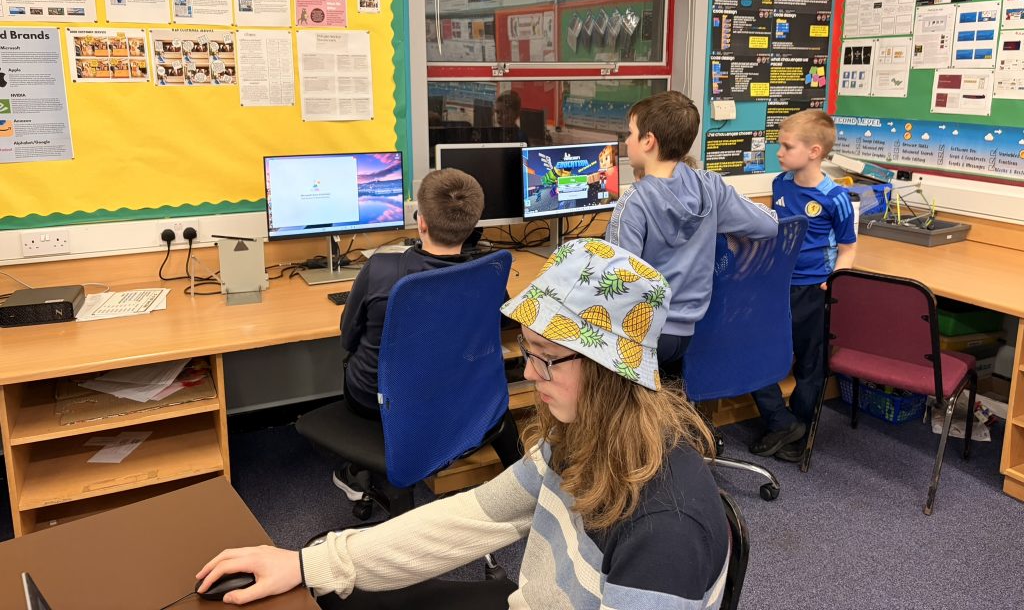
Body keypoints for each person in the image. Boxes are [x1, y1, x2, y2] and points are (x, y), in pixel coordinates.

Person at [196, 238, 730, 608]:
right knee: (332, 577)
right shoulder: (584, 434)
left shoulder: (667, 533)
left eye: (546, 358)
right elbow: (478, 515)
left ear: (610, 372)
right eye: (528, 350)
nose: (529, 372)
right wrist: (308, 565)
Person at [605, 90, 778, 380]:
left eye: (630, 133)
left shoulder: (633, 202)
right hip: (690, 333)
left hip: (646, 335)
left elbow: (617, 285)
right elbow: (769, 225)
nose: (626, 141)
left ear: (648, 141)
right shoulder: (710, 186)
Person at [749, 109, 857, 463]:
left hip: (814, 291)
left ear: (814, 152)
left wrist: (835, 279)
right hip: (778, 287)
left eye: (787, 146)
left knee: (810, 367)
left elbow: (848, 248)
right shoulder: (780, 184)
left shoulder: (835, 197)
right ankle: (781, 422)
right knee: (756, 354)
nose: (779, 152)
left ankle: (802, 429)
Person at [340, 168, 485, 420]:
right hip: (450, 394)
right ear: (474, 224)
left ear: (421, 222)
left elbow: (348, 339)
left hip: (374, 401)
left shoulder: (379, 269)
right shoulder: (486, 273)